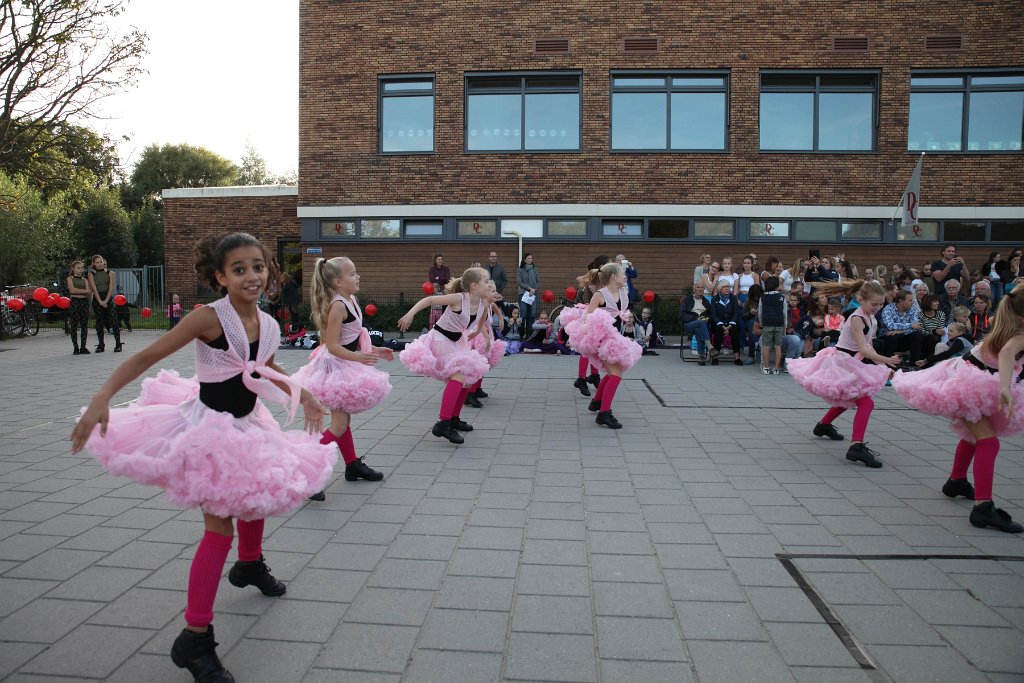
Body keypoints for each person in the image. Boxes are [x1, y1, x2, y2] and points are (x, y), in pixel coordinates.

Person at [69, 232, 336, 682]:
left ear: (268, 268)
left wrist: (304, 392)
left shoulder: (268, 323)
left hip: (249, 423)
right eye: (239, 269)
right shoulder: (208, 319)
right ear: (219, 276)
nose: (252, 276)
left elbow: (266, 366)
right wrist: (102, 398)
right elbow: (149, 354)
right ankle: (194, 637)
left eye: (258, 266)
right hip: (210, 430)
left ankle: (249, 565)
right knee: (219, 528)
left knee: (258, 489)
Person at [891, 288, 1024, 534]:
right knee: (988, 442)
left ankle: (957, 481)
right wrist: (1005, 388)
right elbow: (1006, 353)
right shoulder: (1019, 331)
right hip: (972, 382)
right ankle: (983, 508)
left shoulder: (1006, 319)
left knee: (975, 437)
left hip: (970, 375)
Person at [293, 256, 392, 498]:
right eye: (352, 274)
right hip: (334, 368)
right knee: (339, 424)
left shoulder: (351, 300)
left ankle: (351, 464)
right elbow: (332, 345)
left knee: (343, 420)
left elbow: (353, 337)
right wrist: (360, 359)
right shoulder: (338, 306)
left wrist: (373, 350)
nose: (357, 277)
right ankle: (307, 470)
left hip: (344, 363)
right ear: (338, 282)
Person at [788, 280, 901, 468]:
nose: (878, 307)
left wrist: (883, 365)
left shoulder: (869, 317)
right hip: (842, 361)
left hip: (852, 361)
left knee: (848, 397)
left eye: (881, 304)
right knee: (865, 401)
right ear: (861, 300)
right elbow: (864, 349)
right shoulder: (857, 318)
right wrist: (886, 360)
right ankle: (856, 446)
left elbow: (867, 345)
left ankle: (824, 425)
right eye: (874, 304)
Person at [397, 267, 491, 444]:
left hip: (457, 340)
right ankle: (443, 423)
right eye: (487, 281)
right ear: (475, 285)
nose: (489, 284)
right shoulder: (459, 299)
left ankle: (454, 418)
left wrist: (477, 334)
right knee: (459, 375)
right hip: (440, 338)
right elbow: (430, 299)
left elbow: (481, 322)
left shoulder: (483, 304)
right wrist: (410, 314)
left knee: (470, 376)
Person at [564, 263, 641, 428]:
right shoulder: (599, 295)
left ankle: (597, 401)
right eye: (622, 273)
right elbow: (587, 319)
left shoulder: (623, 292)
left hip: (615, 338)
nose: (625, 276)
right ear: (614, 276)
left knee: (614, 372)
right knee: (616, 375)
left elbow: (625, 309)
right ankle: (604, 413)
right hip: (601, 340)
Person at [466, 281, 509, 400]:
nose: (496, 293)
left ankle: (477, 388)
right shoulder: (481, 304)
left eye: (496, 291)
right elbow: (481, 323)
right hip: (478, 335)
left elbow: (495, 307)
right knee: (477, 365)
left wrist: (500, 318)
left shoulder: (489, 303)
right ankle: (470, 392)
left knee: (484, 363)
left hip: (486, 333)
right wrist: (486, 339)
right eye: (493, 291)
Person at [87, 254, 122, 353]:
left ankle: (118, 344)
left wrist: (106, 301)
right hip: (97, 298)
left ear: (104, 262)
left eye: (101, 261)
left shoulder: (111, 273)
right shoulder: (91, 274)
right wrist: (100, 301)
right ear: (94, 263)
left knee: (114, 320)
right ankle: (101, 344)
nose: (99, 264)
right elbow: (93, 289)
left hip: (108, 297)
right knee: (99, 322)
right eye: (97, 262)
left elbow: (111, 288)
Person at [708, 280, 744, 366]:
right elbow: (713, 314)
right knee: (718, 330)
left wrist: (730, 325)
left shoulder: (733, 298)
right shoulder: (714, 299)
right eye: (724, 287)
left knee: (735, 330)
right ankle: (715, 357)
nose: (727, 288)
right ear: (720, 289)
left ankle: (737, 357)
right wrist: (722, 325)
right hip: (719, 322)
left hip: (731, 323)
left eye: (728, 287)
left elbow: (736, 313)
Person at [758, 276, 787, 374]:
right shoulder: (782, 297)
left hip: (767, 323)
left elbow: (760, 312)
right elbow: (784, 313)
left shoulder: (763, 297)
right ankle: (776, 368)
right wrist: (785, 325)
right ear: (777, 285)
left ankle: (766, 367)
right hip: (779, 323)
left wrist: (762, 323)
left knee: (766, 346)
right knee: (778, 346)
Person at [680, 282, 712, 366]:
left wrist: (707, 318)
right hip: (689, 324)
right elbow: (682, 315)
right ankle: (710, 347)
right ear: (693, 289)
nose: (700, 289)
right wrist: (695, 318)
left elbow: (710, 314)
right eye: (698, 287)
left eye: (702, 287)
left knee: (699, 328)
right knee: (700, 323)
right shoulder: (686, 300)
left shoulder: (706, 301)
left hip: (702, 325)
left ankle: (701, 356)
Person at [65, 260, 91, 355]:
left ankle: (83, 347)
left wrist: (83, 291)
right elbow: (72, 290)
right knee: (74, 325)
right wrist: (84, 291)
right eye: (78, 268)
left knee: (84, 325)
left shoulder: (85, 280)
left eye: (82, 268)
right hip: (75, 302)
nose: (81, 270)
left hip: (84, 302)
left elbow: (89, 292)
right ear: (73, 269)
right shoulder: (70, 278)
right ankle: (76, 347)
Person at [517, 253, 539, 331]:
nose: (530, 259)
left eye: (531, 258)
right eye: (528, 258)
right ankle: (522, 334)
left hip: (533, 294)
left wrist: (534, 290)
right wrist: (529, 288)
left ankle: (530, 334)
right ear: (525, 259)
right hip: (523, 294)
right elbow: (519, 282)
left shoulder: (534, 269)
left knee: (532, 315)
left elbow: (537, 281)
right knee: (523, 315)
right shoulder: (520, 269)